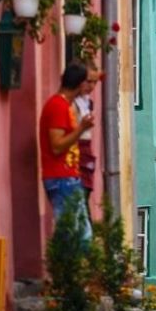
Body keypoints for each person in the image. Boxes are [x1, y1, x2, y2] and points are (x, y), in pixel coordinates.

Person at [40, 62, 95, 238]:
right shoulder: (57, 106)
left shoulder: (65, 106)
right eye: (88, 82)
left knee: (80, 235)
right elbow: (56, 146)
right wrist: (81, 128)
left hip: (68, 176)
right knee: (75, 236)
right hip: (61, 178)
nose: (91, 86)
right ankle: (66, 265)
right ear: (80, 85)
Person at [74, 63, 101, 211]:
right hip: (78, 149)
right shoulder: (74, 102)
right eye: (88, 81)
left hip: (85, 151)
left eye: (95, 82)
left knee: (85, 194)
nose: (91, 86)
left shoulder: (87, 102)